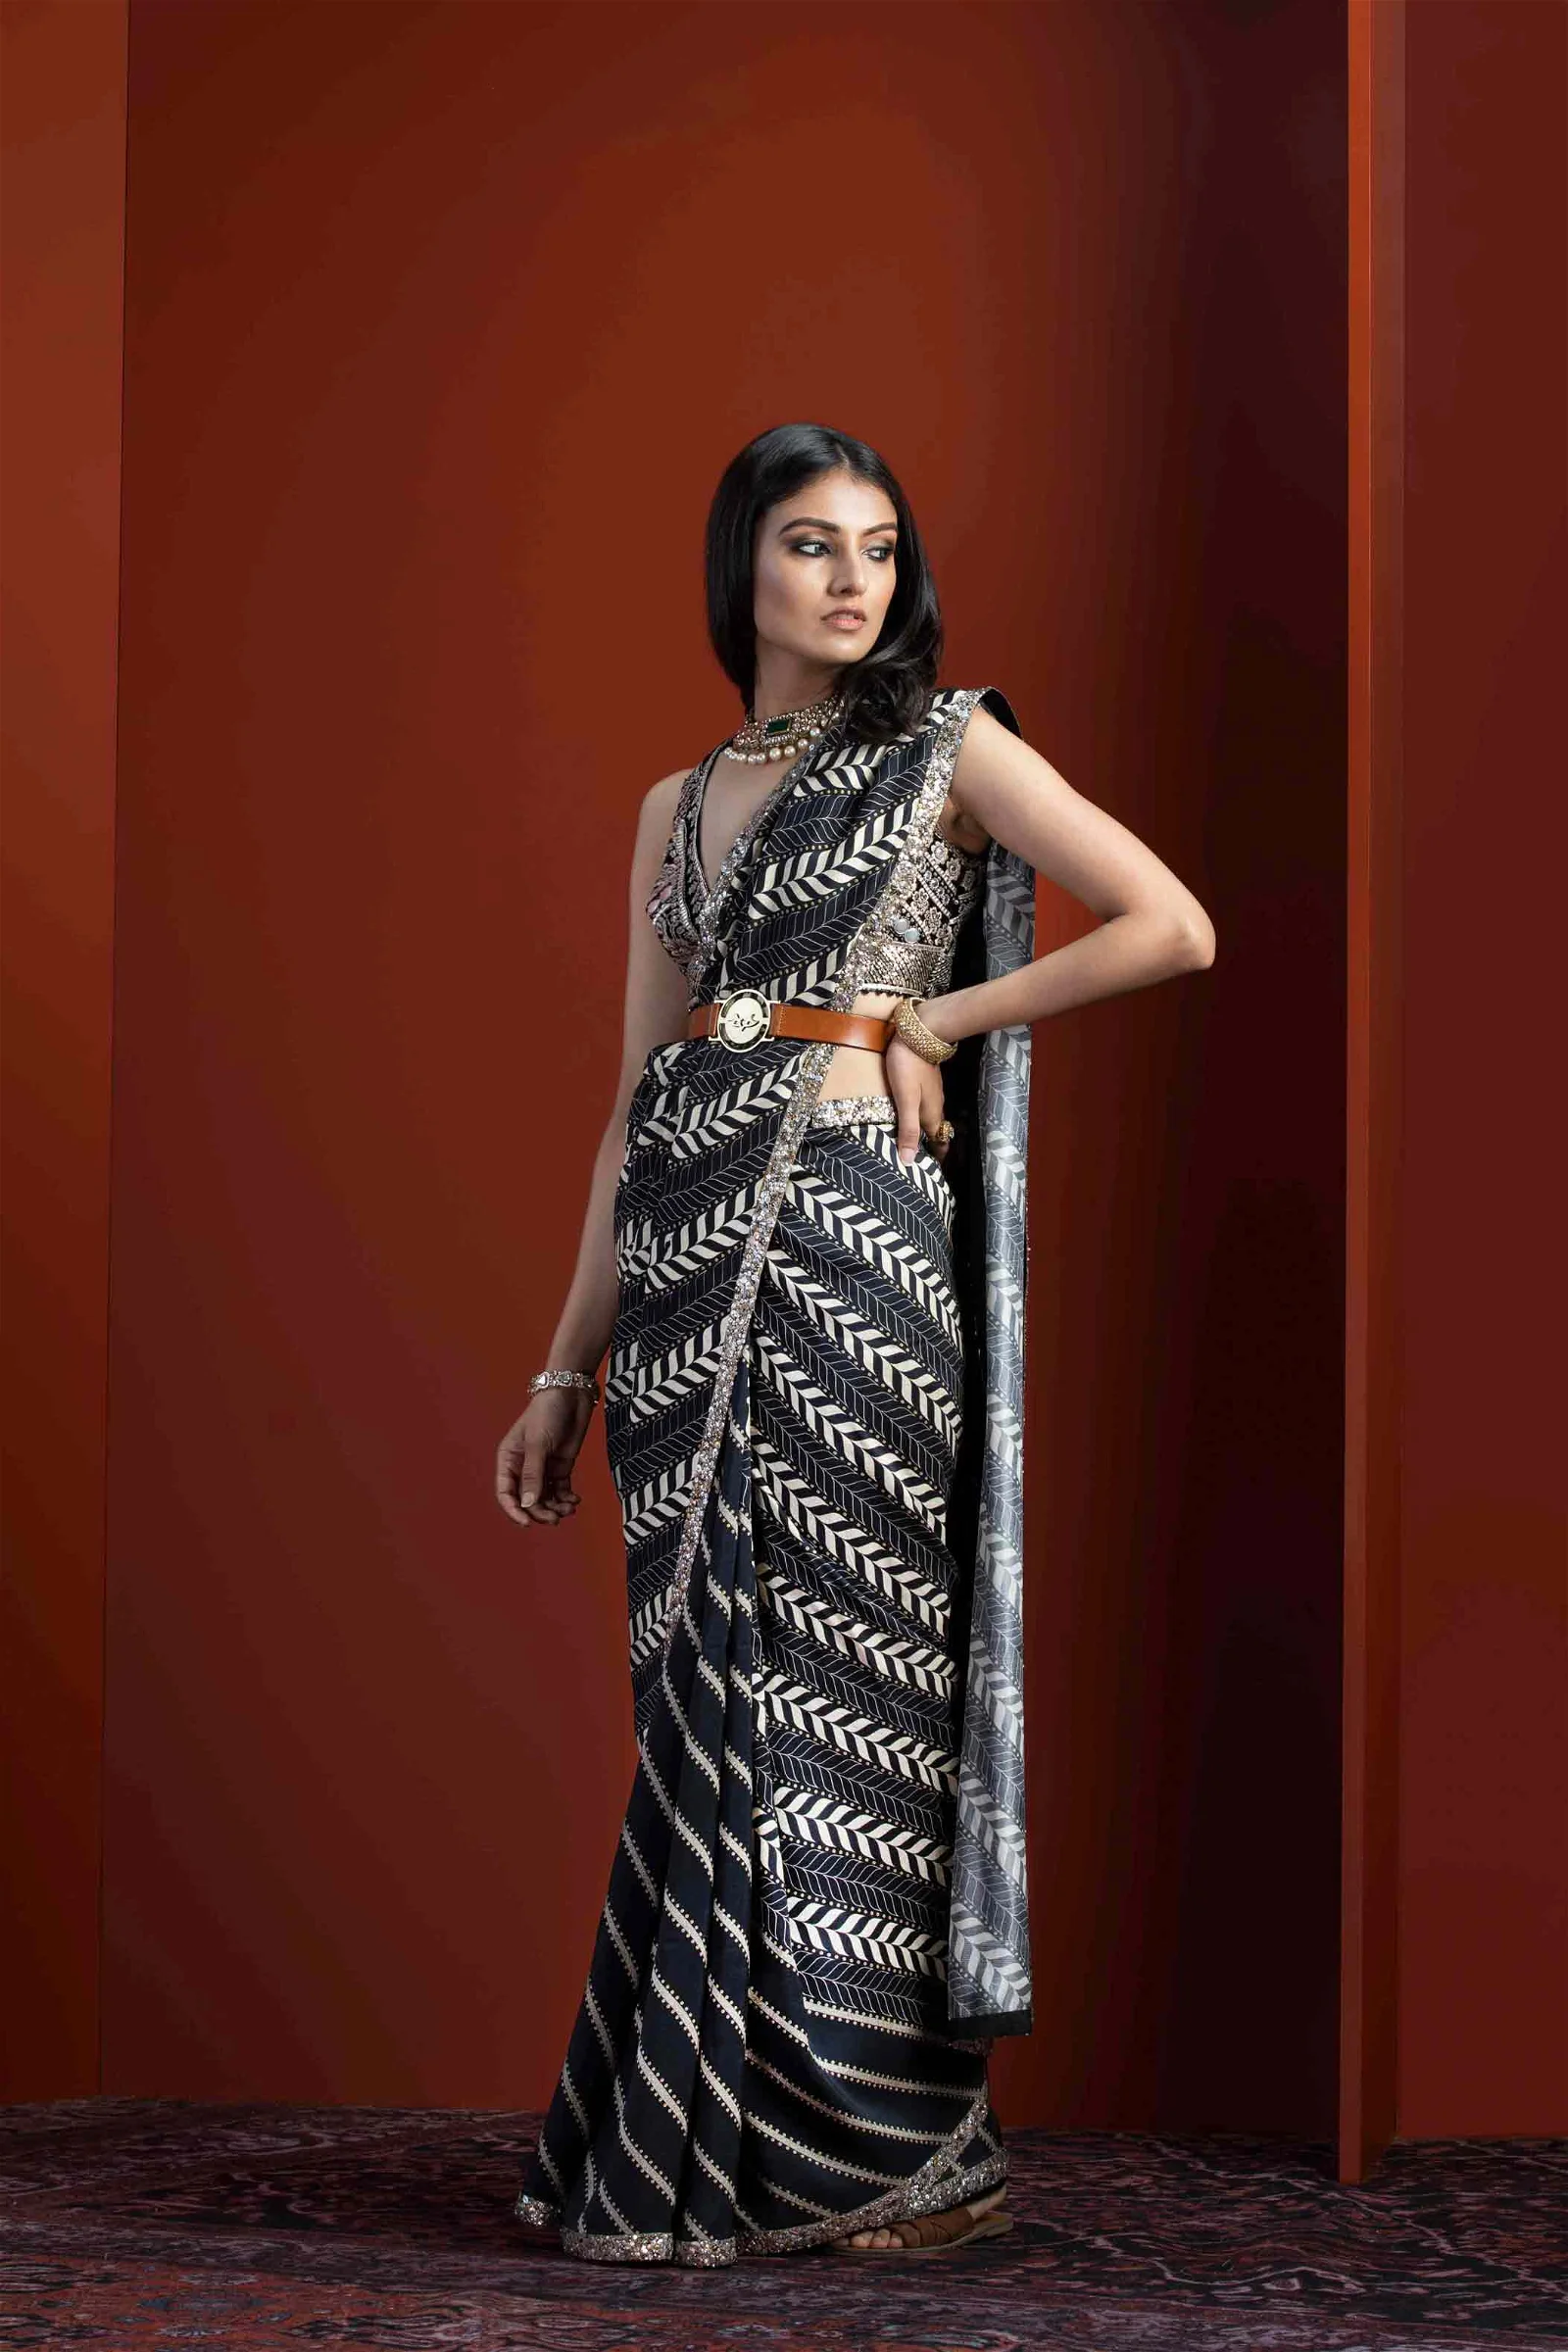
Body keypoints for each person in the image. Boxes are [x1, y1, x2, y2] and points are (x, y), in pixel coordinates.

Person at [496, 422, 1215, 2265]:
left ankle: (886, 2148)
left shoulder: (946, 746)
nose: (852, 580)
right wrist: (565, 1370)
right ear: (739, 562)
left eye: (880, 548)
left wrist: (935, 1021)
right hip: (677, 1279)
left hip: (845, 1272)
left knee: (851, 1697)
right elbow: (635, 1095)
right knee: (707, 1703)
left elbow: (1172, 925)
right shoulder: (674, 808)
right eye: (813, 543)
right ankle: (718, 2143)